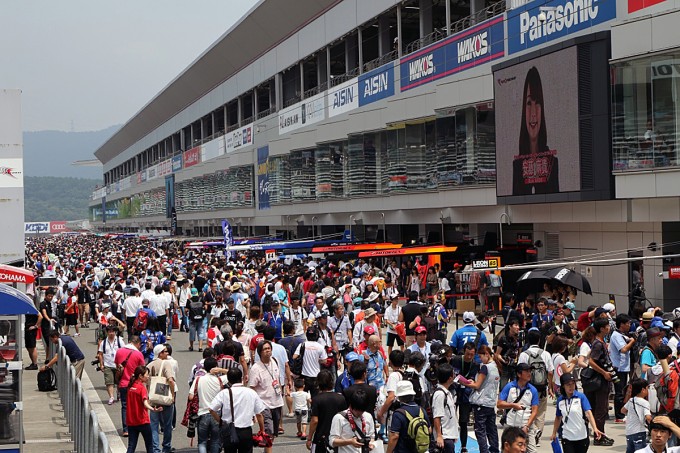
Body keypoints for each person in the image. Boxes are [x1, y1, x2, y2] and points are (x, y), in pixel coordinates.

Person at [512, 66, 559, 195]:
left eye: (537, 103)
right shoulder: (517, 165)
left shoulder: (553, 163)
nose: (533, 113)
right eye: (528, 103)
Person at [209, 368, 266, 453]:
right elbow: (259, 414)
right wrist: (262, 429)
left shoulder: (224, 393)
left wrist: (221, 422)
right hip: (246, 431)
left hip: (229, 430)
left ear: (228, 380)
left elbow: (211, 409)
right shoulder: (251, 392)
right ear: (241, 378)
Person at [549, 372, 603, 453]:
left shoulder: (581, 397)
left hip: (581, 436)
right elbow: (558, 417)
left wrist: (595, 428)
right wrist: (554, 433)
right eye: (568, 384)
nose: (571, 386)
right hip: (567, 437)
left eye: (573, 384)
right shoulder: (560, 400)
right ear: (563, 386)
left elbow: (588, 413)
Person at [517, 329, 554, 446]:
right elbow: (550, 372)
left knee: (528, 411)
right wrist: (550, 387)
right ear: (539, 340)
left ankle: (531, 434)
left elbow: (519, 370)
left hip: (528, 388)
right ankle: (538, 433)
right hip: (542, 388)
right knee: (541, 413)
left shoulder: (524, 354)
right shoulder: (546, 354)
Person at [463, 345, 500, 453]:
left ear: (486, 355)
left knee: (480, 431)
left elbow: (477, 385)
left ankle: (484, 451)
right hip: (491, 402)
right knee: (492, 430)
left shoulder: (485, 367)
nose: (479, 359)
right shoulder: (495, 367)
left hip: (481, 402)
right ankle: (494, 450)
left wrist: (465, 382)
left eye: (480, 356)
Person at [250, 340, 284, 452]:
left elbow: (277, 379)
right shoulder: (256, 368)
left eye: (269, 348)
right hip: (264, 404)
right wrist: (255, 408)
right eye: (265, 349)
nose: (268, 351)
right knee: (268, 434)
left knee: (273, 434)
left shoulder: (275, 361)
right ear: (260, 352)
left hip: (277, 402)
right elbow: (252, 388)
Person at [497, 363, 539, 453]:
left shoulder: (533, 390)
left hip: (526, 426)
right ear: (519, 374)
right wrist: (512, 405)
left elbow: (535, 411)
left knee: (532, 451)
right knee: (507, 449)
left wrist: (527, 426)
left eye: (530, 371)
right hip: (510, 426)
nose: (529, 373)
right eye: (526, 371)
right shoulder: (509, 387)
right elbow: (499, 404)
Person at [188, 357, 227, 453]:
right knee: (215, 441)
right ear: (215, 367)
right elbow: (236, 373)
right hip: (216, 414)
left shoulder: (198, 379)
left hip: (202, 413)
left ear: (204, 367)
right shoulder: (220, 380)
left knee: (202, 442)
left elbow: (190, 397)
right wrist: (221, 370)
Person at [586, 318, 615, 446]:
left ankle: (601, 435)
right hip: (600, 381)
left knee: (601, 410)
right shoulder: (598, 343)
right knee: (600, 410)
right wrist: (604, 373)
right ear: (602, 329)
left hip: (603, 380)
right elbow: (591, 361)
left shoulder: (600, 342)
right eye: (607, 326)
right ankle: (599, 437)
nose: (609, 327)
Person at [307, 369, 348, 453]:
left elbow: (315, 420)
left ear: (318, 383)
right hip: (338, 436)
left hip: (321, 436)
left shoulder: (317, 399)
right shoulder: (341, 398)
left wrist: (309, 438)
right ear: (331, 382)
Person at [386, 380, 431, 453]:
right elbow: (429, 430)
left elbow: (394, 436)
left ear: (399, 397)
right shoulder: (421, 410)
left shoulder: (398, 413)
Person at [126, 365, 163, 453]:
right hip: (142, 421)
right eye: (147, 374)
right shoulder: (141, 388)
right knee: (149, 446)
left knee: (131, 446)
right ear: (140, 376)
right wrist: (153, 409)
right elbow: (145, 403)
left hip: (131, 422)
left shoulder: (130, 387)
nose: (148, 376)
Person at [147, 344, 176, 453]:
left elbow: (146, 381)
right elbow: (171, 380)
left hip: (153, 397)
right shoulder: (166, 363)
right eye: (165, 351)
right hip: (165, 396)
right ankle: (166, 447)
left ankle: (155, 448)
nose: (167, 353)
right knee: (167, 424)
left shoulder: (150, 365)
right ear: (160, 353)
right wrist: (173, 395)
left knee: (154, 424)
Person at [116, 335, 146, 437]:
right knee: (137, 405)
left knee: (125, 406)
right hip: (135, 385)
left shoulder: (119, 351)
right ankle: (136, 426)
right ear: (138, 343)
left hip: (123, 383)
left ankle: (126, 429)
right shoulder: (138, 354)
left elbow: (117, 365)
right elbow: (143, 370)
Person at [609, 313, 636, 423]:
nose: (629, 325)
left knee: (623, 391)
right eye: (628, 323)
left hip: (624, 368)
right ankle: (619, 416)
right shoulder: (615, 336)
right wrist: (632, 341)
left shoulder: (622, 335)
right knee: (619, 392)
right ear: (621, 324)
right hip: (618, 368)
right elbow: (623, 349)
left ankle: (622, 412)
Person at [293, 326, 328, 398]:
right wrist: (318, 359)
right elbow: (325, 361)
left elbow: (294, 357)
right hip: (316, 376)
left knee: (302, 398)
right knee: (315, 398)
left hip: (304, 376)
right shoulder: (320, 347)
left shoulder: (302, 345)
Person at [432, 363, 459, 453]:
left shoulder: (447, 392)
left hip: (449, 436)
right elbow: (437, 416)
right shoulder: (440, 394)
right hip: (444, 438)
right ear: (450, 378)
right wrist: (439, 436)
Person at [621, 378, 652, 453]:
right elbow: (647, 417)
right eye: (647, 388)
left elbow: (622, 410)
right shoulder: (645, 403)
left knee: (630, 450)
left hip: (629, 431)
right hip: (639, 431)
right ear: (643, 390)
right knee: (640, 451)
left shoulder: (632, 400)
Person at [98, 324, 125, 405]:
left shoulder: (120, 340)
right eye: (109, 332)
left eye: (113, 331)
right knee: (109, 382)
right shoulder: (104, 342)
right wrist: (101, 365)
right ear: (107, 333)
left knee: (119, 382)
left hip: (118, 365)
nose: (111, 333)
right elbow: (100, 354)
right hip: (108, 364)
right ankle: (111, 397)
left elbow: (124, 351)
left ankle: (119, 393)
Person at [24, 296, 42, 370]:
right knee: (28, 347)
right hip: (27, 329)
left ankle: (35, 364)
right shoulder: (27, 308)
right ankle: (32, 362)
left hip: (31, 330)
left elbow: (40, 316)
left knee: (32, 347)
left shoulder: (32, 308)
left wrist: (35, 326)